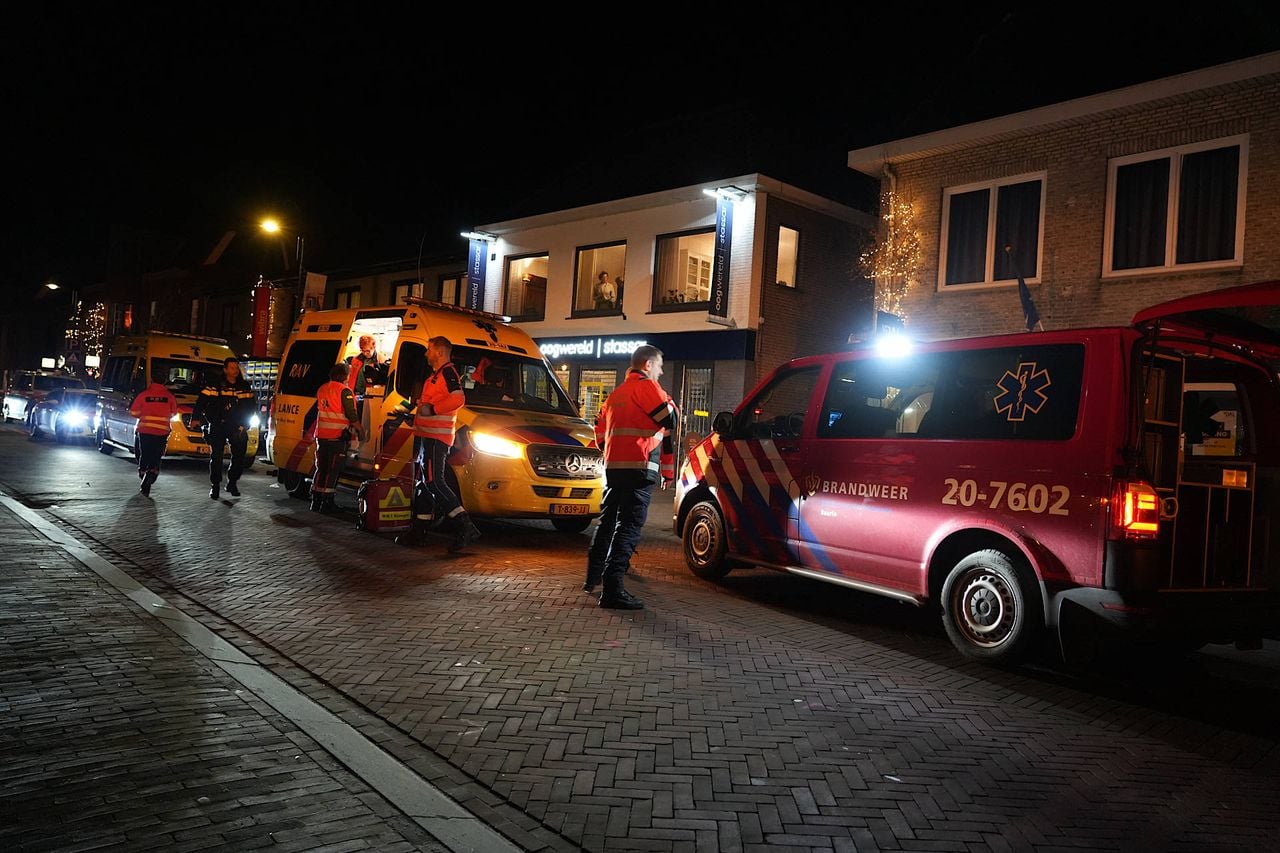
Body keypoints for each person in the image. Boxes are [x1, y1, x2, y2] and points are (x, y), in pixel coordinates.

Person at [583, 345, 678, 610]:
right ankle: (613, 589)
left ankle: (593, 577)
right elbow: (668, 420)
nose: (660, 372)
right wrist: (670, 401)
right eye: (659, 367)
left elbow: (599, 434)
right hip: (639, 466)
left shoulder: (614, 395)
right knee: (629, 527)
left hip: (614, 468)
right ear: (647, 365)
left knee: (607, 522)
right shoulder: (647, 387)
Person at [394, 336, 482, 551]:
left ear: (440, 352)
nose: (426, 353)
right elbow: (429, 405)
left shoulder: (448, 373)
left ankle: (465, 526)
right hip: (427, 436)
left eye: (429, 349)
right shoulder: (437, 376)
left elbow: (458, 399)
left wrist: (431, 410)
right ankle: (419, 531)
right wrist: (413, 414)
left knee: (434, 482)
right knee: (423, 484)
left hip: (436, 439)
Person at [191, 356, 256, 500]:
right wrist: (195, 419)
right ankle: (215, 486)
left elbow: (251, 407)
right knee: (217, 458)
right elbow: (201, 402)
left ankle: (232, 482)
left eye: (236, 368)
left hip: (237, 426)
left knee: (240, 456)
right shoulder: (215, 385)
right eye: (232, 368)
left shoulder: (244, 386)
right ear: (225, 369)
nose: (235, 371)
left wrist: (245, 425)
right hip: (218, 424)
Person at [311, 363, 363, 513]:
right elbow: (351, 414)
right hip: (337, 436)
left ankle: (315, 499)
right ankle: (327, 503)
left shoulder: (322, 389)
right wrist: (360, 430)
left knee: (321, 468)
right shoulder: (344, 391)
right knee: (333, 470)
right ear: (345, 375)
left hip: (321, 436)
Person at [128, 368, 178, 497]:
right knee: (156, 455)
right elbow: (173, 413)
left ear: (152, 380)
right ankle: (151, 474)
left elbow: (133, 412)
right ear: (165, 381)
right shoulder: (169, 396)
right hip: (162, 431)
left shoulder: (143, 395)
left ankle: (143, 472)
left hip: (144, 430)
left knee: (144, 453)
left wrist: (143, 414)